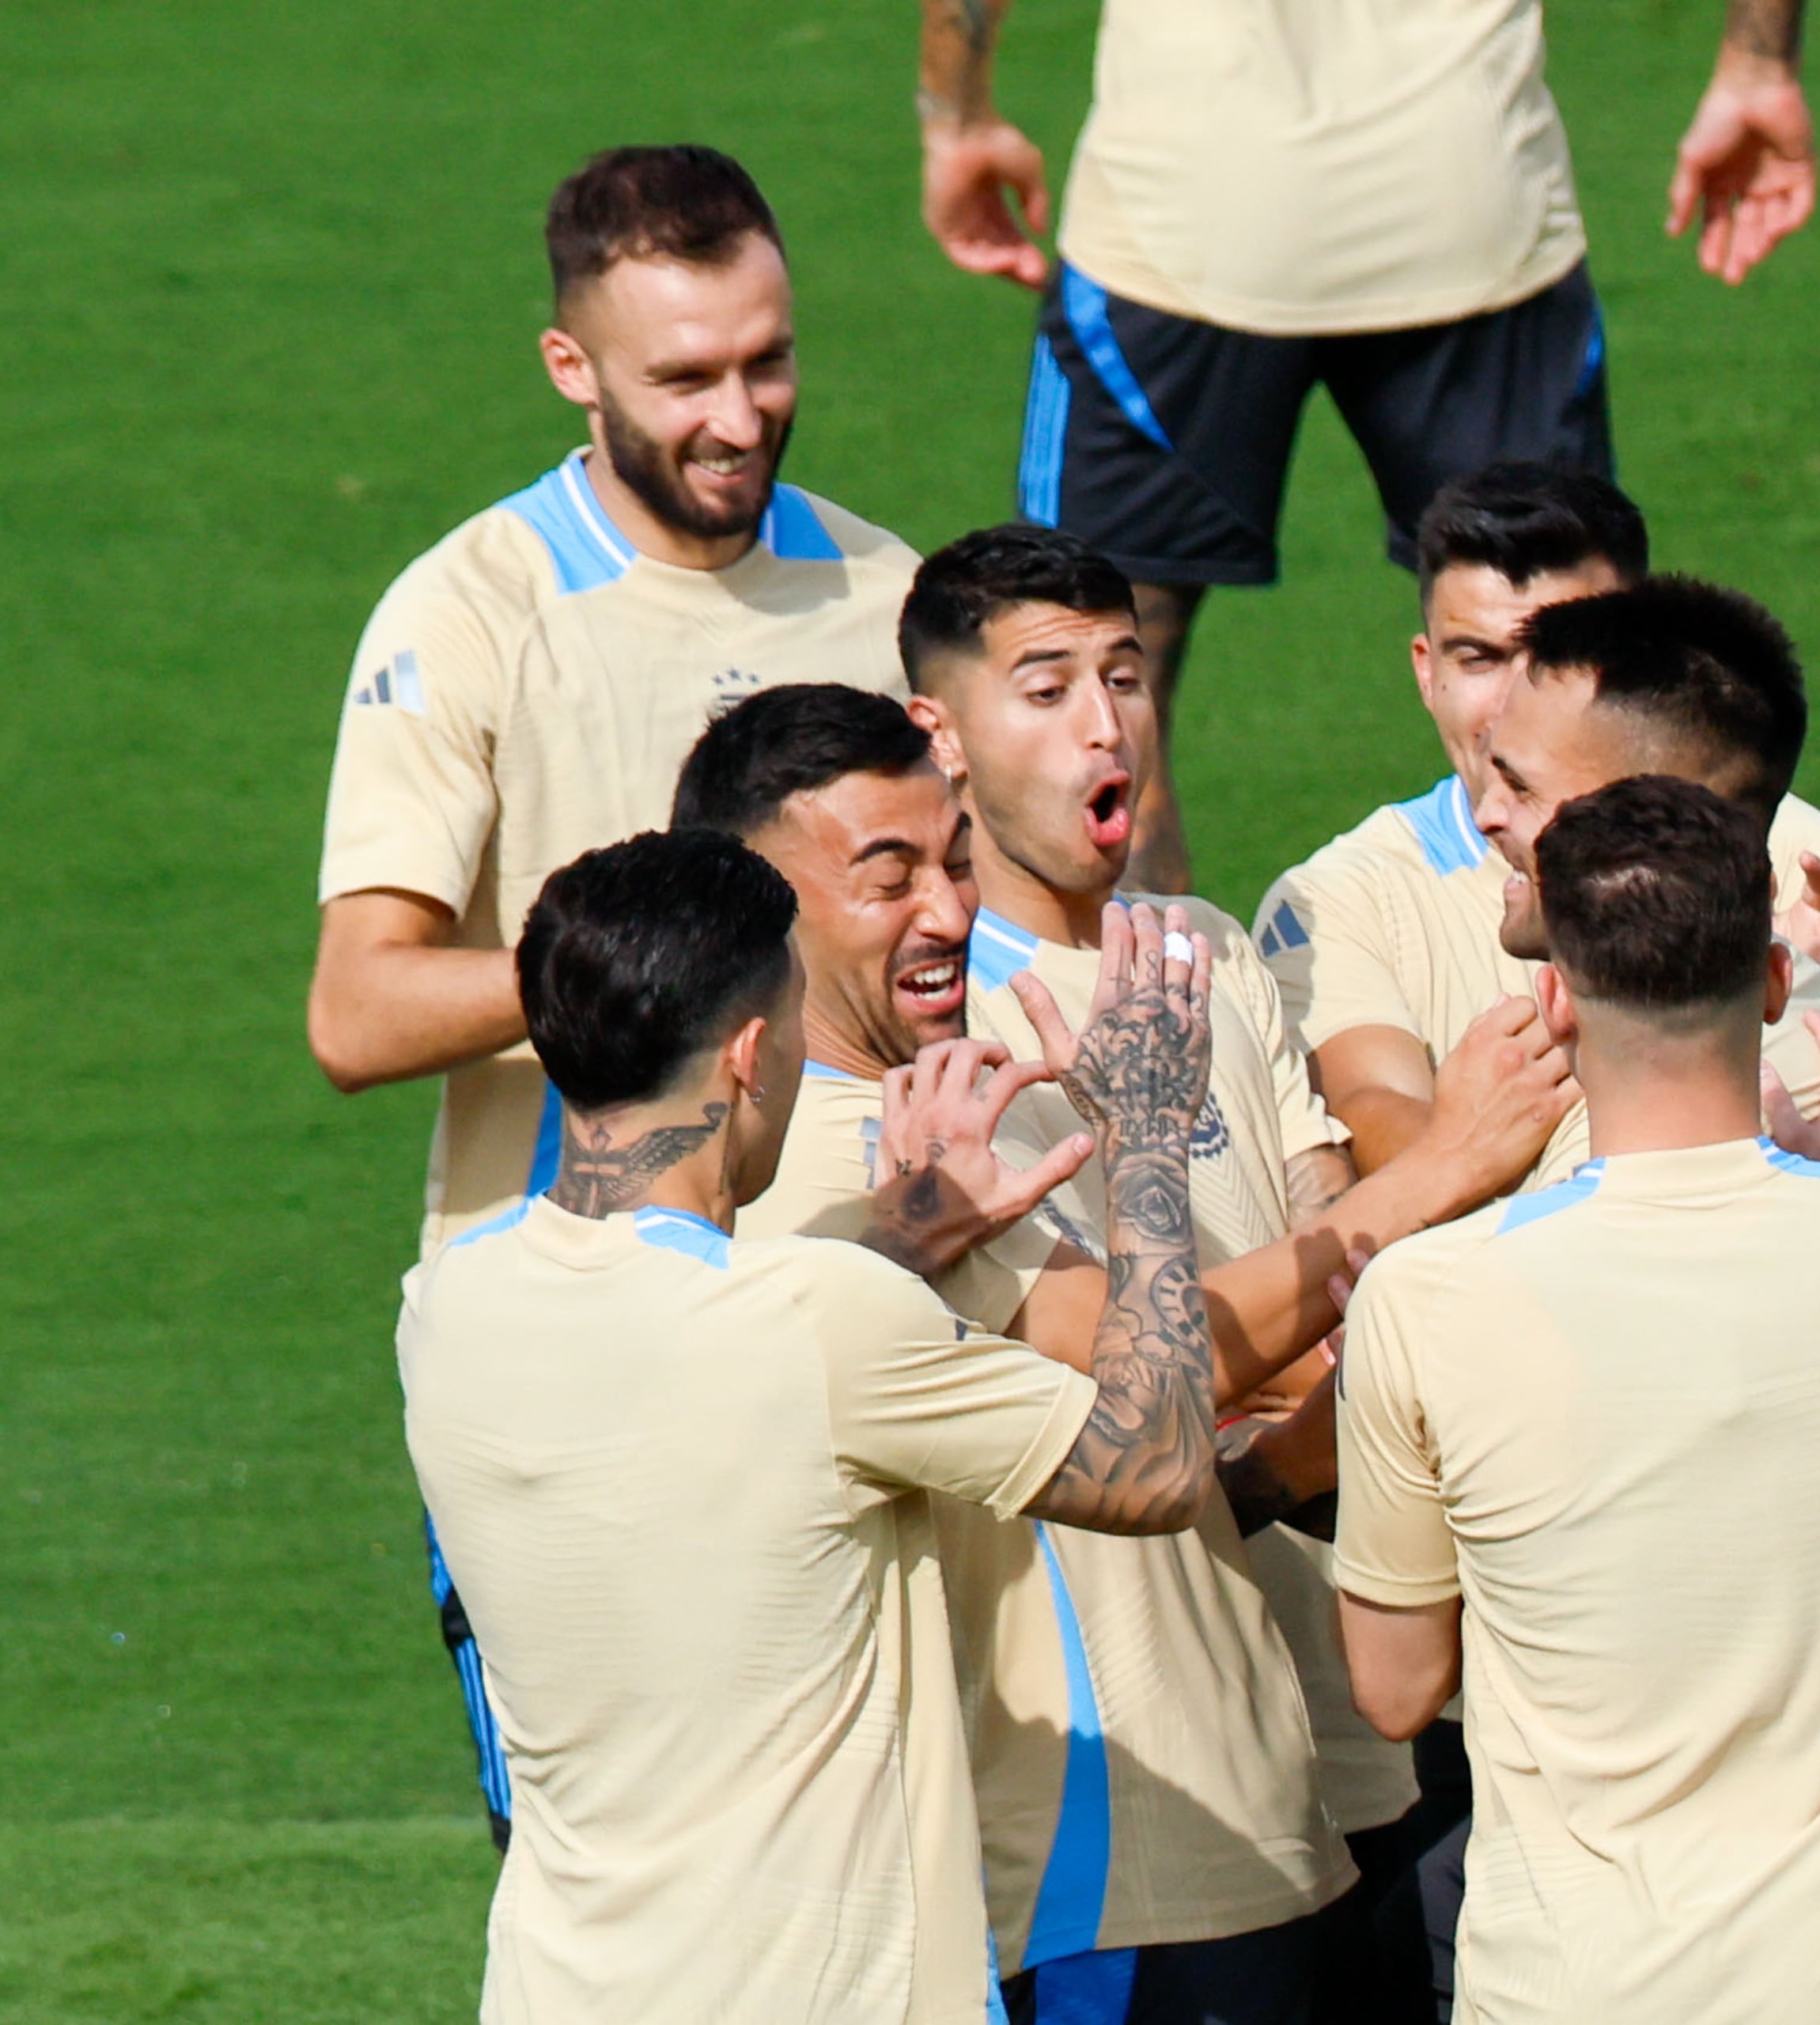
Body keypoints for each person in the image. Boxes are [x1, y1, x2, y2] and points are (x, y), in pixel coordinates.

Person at [307, 144, 918, 1845]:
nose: (741, 413)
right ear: (572, 367)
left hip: (843, 1322)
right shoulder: (476, 609)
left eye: (768, 359)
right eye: (687, 379)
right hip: (573, 1358)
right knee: (620, 1871)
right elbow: (358, 1007)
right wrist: (654, 942)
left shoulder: (882, 596)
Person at [889, 528, 1566, 2023]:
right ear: (938, 731)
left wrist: (1324, 1319)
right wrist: (1450, 1164)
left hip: (1337, 1723)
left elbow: (1327, 1268)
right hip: (1134, 1794)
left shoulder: (1201, 948)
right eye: (1047, 685)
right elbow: (1124, 1361)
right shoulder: (947, 1030)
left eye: (1124, 676)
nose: (1103, 721)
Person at [400, 827, 1224, 2023]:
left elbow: (695, 1355)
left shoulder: (446, 1313)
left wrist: (903, 1234)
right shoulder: (823, 1325)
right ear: (746, 1056)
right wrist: (1148, 1131)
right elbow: (1157, 1466)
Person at [1332, 776, 1820, 2025]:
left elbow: (1395, 1690)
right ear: (1776, 983)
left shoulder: (1424, 1298)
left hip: (1575, 1991)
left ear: (1553, 999)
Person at [916, 0, 1820, 889]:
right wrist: (1758, 64)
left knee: (1087, 673)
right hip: (1471, 197)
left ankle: (1138, 1021)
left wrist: (954, 114)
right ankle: (1618, 1003)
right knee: (1575, 666)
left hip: (1190, 207)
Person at [1254, 461, 1820, 1183]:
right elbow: (1377, 1128)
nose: (1515, 702)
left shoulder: (1805, 857)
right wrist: (1716, 999)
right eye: (1480, 658)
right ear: (1428, 672)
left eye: (1562, 650)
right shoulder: (1339, 900)